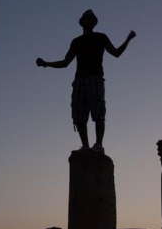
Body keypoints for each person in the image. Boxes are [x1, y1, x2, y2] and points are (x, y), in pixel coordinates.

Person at [36, 9, 136, 153]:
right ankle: (85, 145)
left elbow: (116, 53)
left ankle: (99, 144)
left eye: (92, 20)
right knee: (78, 113)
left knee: (98, 111)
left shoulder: (101, 37)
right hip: (79, 80)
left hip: (95, 78)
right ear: (82, 22)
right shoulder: (76, 42)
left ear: (94, 23)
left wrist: (127, 40)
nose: (90, 22)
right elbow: (65, 62)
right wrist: (46, 63)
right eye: (87, 19)